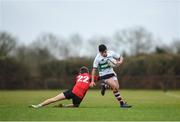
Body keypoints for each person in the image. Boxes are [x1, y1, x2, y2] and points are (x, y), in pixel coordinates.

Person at [30, 66, 98, 108]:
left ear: (80, 73)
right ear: (88, 72)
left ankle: (38, 106)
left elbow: (77, 84)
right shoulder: (90, 76)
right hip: (79, 96)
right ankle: (64, 106)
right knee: (75, 105)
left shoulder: (78, 76)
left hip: (72, 91)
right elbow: (100, 78)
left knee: (54, 99)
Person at [90, 44, 132, 108]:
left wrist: (120, 62)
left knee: (117, 87)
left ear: (106, 50)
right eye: (103, 53)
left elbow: (120, 57)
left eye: (105, 52)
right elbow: (94, 70)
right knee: (114, 87)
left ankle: (105, 86)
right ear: (100, 52)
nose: (104, 53)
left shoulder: (111, 53)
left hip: (111, 73)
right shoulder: (97, 59)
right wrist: (92, 81)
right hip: (104, 75)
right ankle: (122, 103)